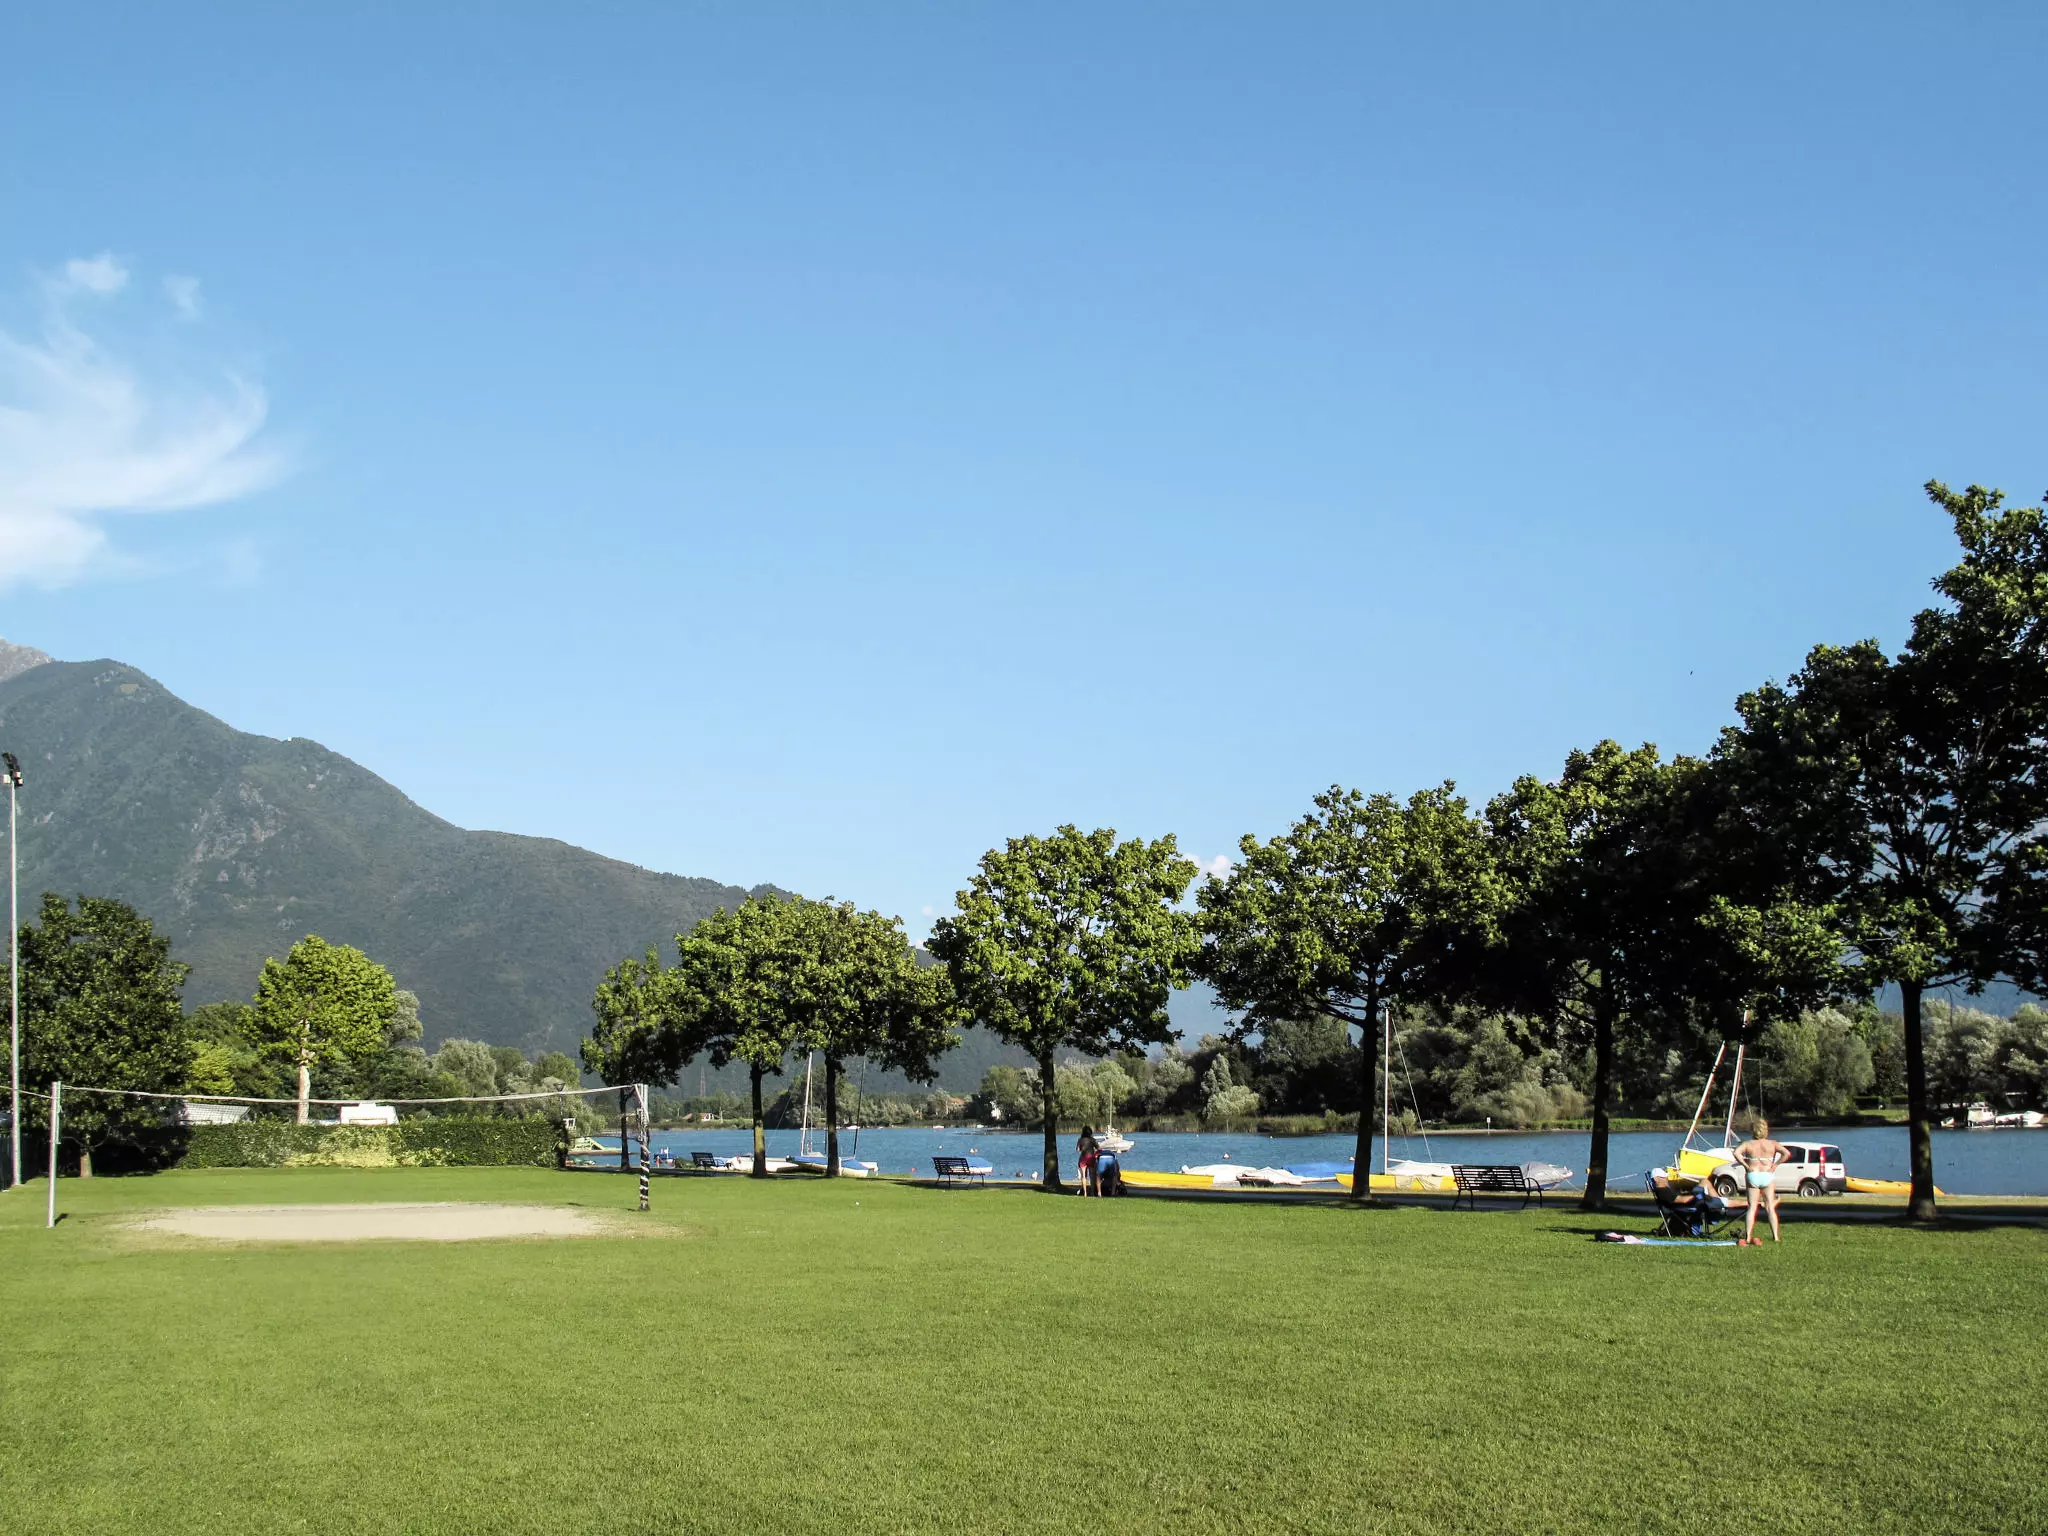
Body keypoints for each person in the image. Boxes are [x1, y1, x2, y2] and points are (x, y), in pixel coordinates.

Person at [1732, 1118, 1790, 1245]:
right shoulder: (1772, 1144)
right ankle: (1776, 1237)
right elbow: (1786, 1153)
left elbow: (1736, 1153)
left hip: (1753, 1174)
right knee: (1770, 1207)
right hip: (1767, 1174)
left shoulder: (1748, 1144)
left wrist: (1746, 1165)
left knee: (1752, 1207)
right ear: (1765, 1130)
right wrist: (1775, 1165)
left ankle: (1748, 1237)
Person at [1076, 1126, 1100, 1196]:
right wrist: (1095, 1154)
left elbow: (1078, 1149)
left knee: (1084, 1176)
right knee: (1092, 1176)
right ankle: (1092, 1192)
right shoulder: (1092, 1139)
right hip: (1091, 1158)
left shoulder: (1080, 1140)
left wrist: (1082, 1148)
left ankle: (1085, 1193)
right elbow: (1099, 1148)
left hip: (1083, 1158)